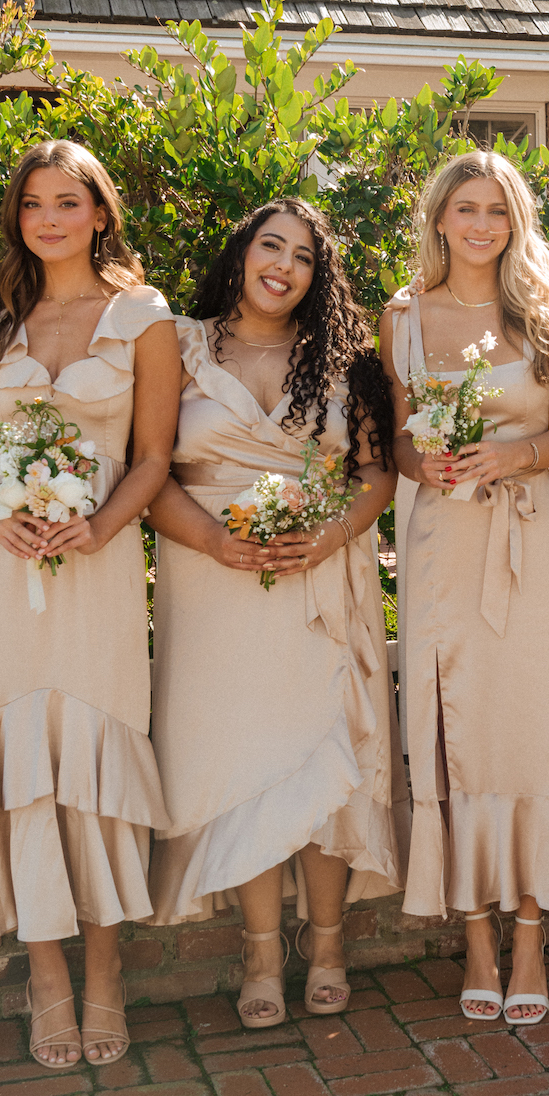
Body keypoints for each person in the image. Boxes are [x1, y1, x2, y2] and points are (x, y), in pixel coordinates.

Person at [0, 140, 180, 1067]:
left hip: (96, 568)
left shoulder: (144, 316)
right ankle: (46, 981)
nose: (49, 218)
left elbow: (153, 457)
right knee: (22, 771)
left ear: (99, 212)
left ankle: (106, 974)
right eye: (33, 203)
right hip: (2, 577)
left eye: (67, 201)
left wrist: (101, 526)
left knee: (95, 762)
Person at [380, 150, 549, 1025]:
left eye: (497, 210)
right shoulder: (402, 316)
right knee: (457, 727)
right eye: (466, 209)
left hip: (530, 536)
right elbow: (397, 442)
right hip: (442, 543)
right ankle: (477, 934)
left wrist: (513, 454)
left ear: (515, 221)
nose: (481, 225)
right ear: (440, 219)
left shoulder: (548, 308)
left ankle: (529, 932)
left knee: (536, 723)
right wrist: (427, 462)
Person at [147, 200, 405, 1026]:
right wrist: (215, 542)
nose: (283, 266)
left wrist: (329, 537)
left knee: (322, 755)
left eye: (303, 257)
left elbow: (376, 473)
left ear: (316, 277)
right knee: (243, 763)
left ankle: (327, 945)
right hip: (210, 575)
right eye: (271, 246)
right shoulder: (178, 346)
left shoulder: (344, 360)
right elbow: (147, 471)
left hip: (317, 574)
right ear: (242, 253)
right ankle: (261, 951)